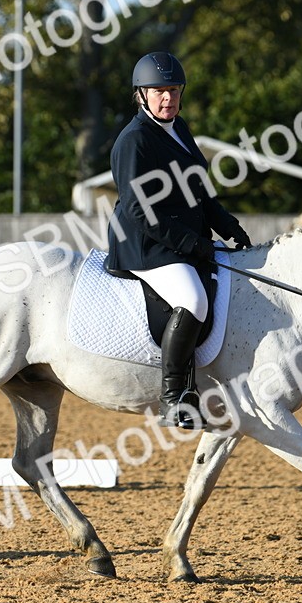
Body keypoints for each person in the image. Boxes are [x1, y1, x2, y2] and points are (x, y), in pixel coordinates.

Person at [105, 51, 251, 429]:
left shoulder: (179, 129)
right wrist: (192, 244)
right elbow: (140, 212)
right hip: (145, 245)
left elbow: (200, 191)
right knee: (193, 298)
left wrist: (228, 226)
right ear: (141, 95)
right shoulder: (134, 141)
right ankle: (174, 397)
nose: (167, 98)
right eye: (159, 92)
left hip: (178, 240)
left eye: (173, 90)